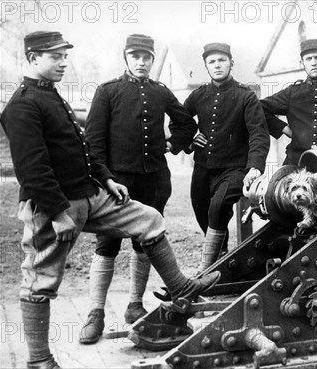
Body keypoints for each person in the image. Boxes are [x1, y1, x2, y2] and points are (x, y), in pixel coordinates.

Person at [0, 31, 220, 369]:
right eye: (55, 57)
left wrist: (106, 180)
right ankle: (39, 360)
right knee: (39, 281)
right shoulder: (23, 104)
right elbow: (32, 170)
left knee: (148, 219)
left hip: (90, 195)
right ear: (32, 59)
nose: (63, 62)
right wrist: (58, 213)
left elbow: (83, 149)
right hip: (53, 205)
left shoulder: (50, 95)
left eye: (64, 56)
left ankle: (181, 287)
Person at [80, 34, 198, 343]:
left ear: (152, 59)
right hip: (117, 182)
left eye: (147, 56)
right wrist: (105, 179)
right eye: (136, 56)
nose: (142, 61)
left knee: (145, 242)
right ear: (126, 58)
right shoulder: (108, 91)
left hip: (155, 181)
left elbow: (186, 124)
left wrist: (172, 144)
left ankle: (135, 304)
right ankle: (96, 313)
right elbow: (92, 143)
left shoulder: (161, 92)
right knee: (106, 245)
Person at [183, 43, 269, 274]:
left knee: (219, 206)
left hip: (234, 169)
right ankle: (220, 262)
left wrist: (254, 167)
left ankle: (204, 270)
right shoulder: (198, 95)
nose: (217, 65)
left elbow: (259, 134)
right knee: (202, 209)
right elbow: (179, 120)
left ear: (232, 63)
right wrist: (190, 139)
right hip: (203, 168)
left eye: (222, 60)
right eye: (212, 62)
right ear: (206, 66)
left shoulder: (245, 96)